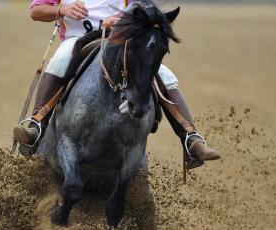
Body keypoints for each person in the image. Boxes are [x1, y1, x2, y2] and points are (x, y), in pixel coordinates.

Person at [13, 0, 220, 168]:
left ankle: (191, 138)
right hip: (78, 41)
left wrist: (123, 21)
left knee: (165, 76)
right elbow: (36, 11)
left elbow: (148, 10)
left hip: (120, 42)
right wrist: (62, 8)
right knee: (59, 61)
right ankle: (36, 126)